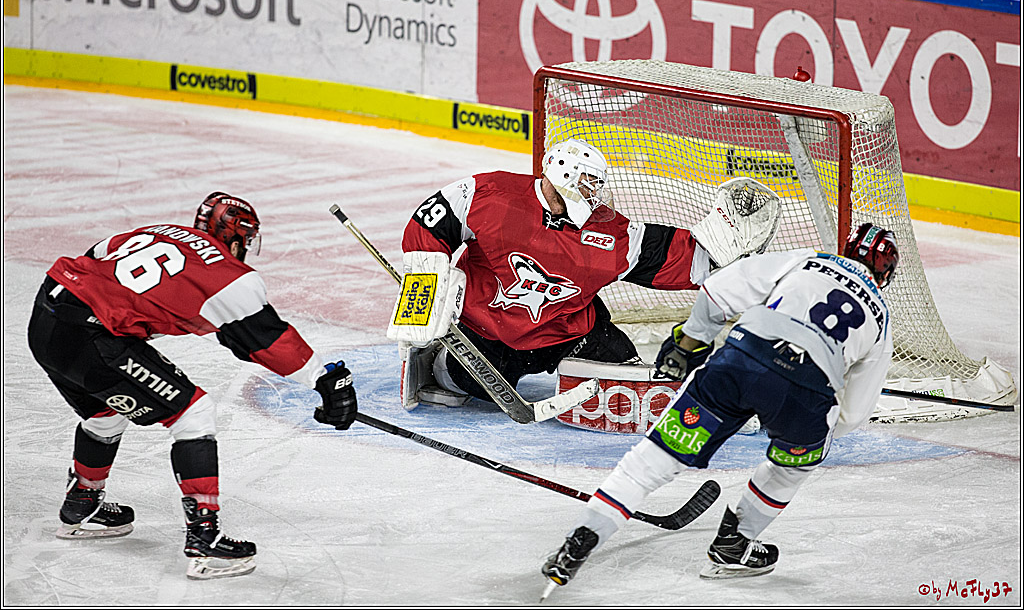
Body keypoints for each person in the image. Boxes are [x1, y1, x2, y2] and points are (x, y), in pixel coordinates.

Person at [540, 222, 899, 589]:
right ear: (886, 274)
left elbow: (718, 290)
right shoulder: (881, 317)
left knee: (650, 463)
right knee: (791, 467)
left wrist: (691, 342)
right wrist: (804, 426)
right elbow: (854, 413)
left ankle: (578, 542)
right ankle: (734, 544)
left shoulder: (808, 260)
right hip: (807, 395)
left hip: (740, 362)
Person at [26, 192, 358, 580]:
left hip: (46, 317)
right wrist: (324, 379)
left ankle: (82, 504)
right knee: (193, 413)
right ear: (237, 235)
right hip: (92, 336)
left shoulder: (159, 231)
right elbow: (265, 339)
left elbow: (99, 257)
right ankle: (205, 541)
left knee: (106, 411)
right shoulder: (228, 274)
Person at [389, 138, 781, 410]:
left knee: (630, 391)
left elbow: (667, 257)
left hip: (570, 333)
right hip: (487, 334)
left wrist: (724, 248)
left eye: (597, 183)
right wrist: (424, 296)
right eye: (588, 182)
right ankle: (439, 364)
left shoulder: (608, 231)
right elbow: (427, 226)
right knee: (464, 383)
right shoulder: (492, 195)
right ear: (562, 179)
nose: (595, 192)